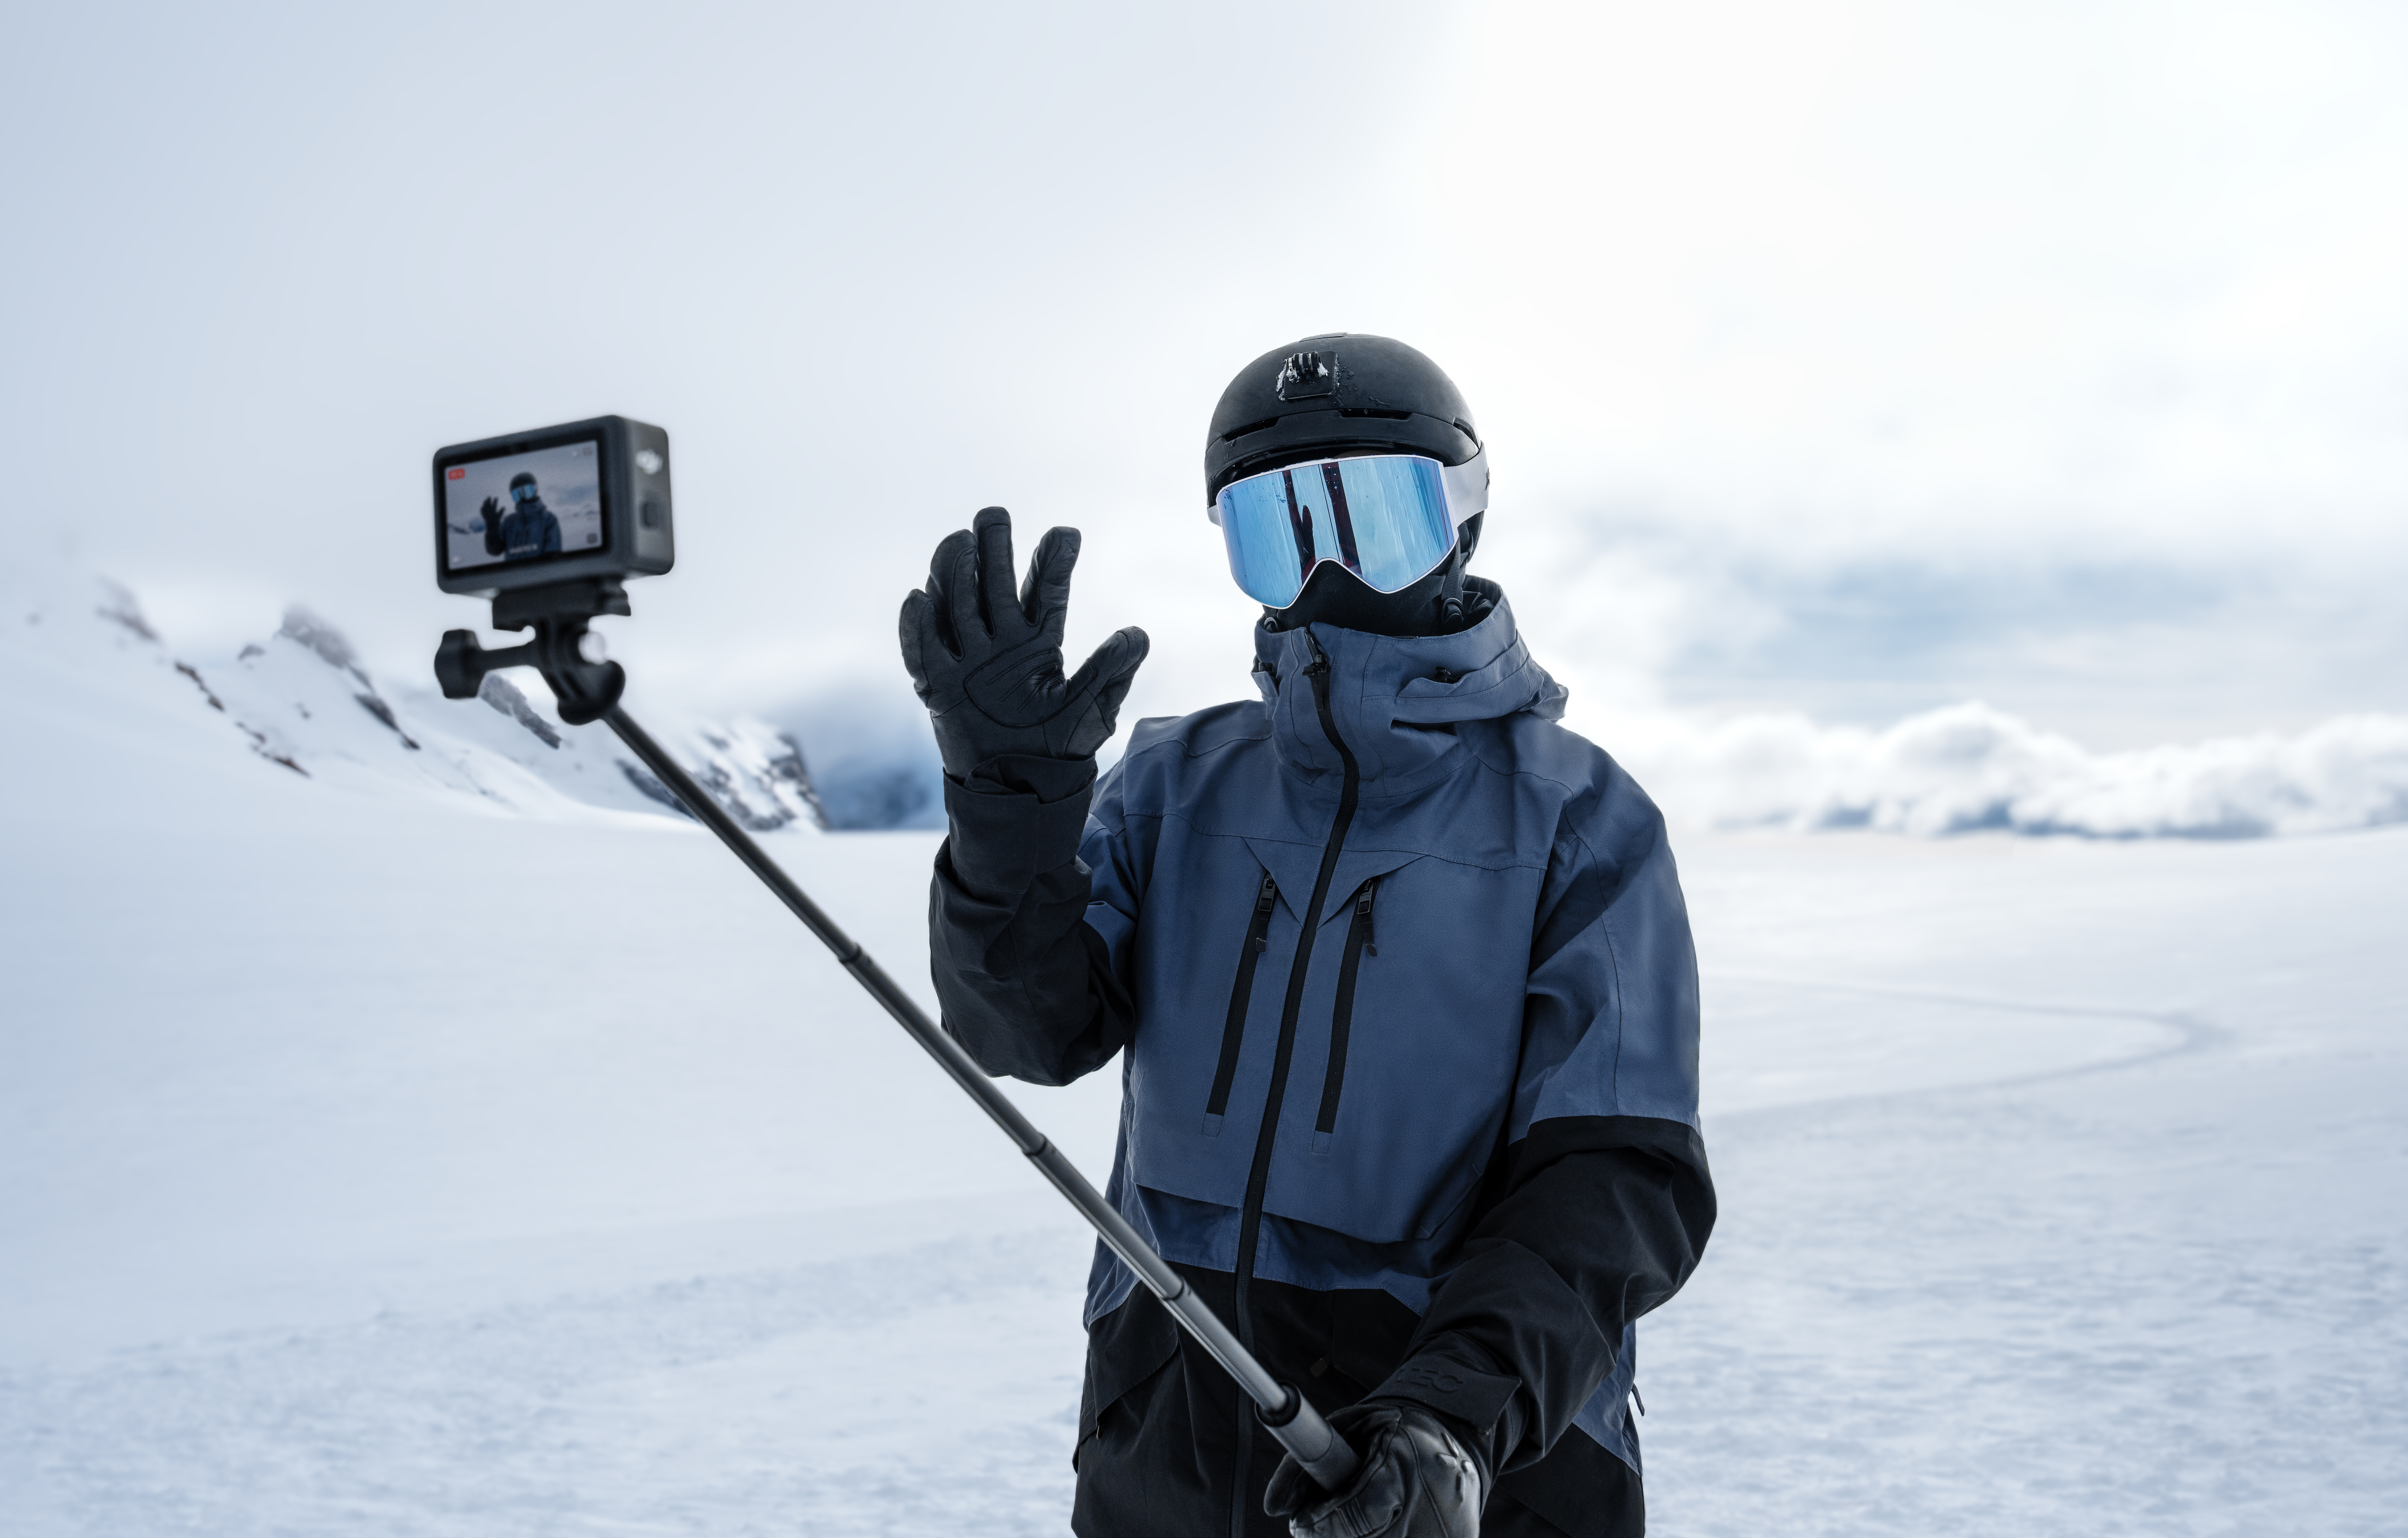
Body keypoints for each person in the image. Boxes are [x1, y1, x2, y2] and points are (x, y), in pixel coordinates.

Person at [901, 334, 1714, 1538]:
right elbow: (1027, 1028)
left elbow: (1616, 1173)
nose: (1332, 568)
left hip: (1468, 1461)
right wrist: (1009, 810)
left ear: (1464, 519)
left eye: (1378, 515)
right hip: (1168, 1435)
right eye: (1279, 529)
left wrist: (1451, 1414)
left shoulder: (1578, 816)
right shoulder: (1174, 781)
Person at [481, 470, 562, 561]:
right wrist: (492, 526)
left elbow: (553, 554)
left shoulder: (547, 519)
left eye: (527, 492)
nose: (523, 498)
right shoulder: (509, 522)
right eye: (518, 494)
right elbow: (495, 551)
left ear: (535, 490)